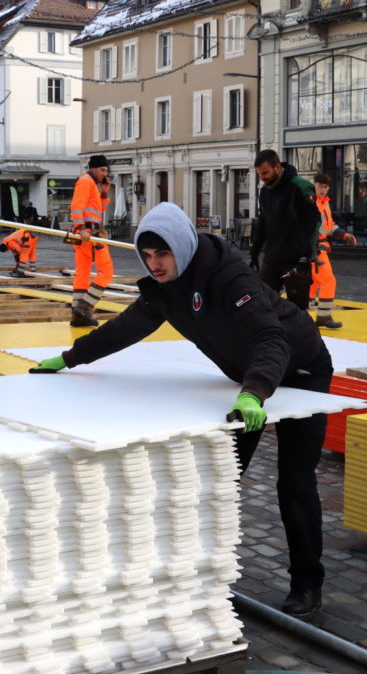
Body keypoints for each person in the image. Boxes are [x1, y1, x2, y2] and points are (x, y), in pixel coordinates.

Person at [30, 202, 334, 617]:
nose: (155, 265)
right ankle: (206, 577)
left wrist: (254, 393)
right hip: (249, 379)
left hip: (299, 372)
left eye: (163, 254)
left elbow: (272, 339)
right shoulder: (164, 290)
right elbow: (125, 328)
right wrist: (70, 358)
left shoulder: (229, 277)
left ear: (182, 247)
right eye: (148, 256)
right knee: (223, 478)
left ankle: (307, 584)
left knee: (294, 482)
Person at [249, 150, 320, 311]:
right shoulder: (265, 192)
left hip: (295, 259)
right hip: (272, 258)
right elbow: (263, 222)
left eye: (265, 173)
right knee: (263, 306)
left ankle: (304, 336)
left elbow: (313, 220)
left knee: (297, 312)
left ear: (277, 167)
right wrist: (254, 252)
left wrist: (306, 255)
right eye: (260, 174)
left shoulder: (299, 186)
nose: (263, 178)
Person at [68, 154, 115, 327]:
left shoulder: (91, 184)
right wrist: (81, 228)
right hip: (90, 233)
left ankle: (77, 314)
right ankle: (84, 307)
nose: (105, 173)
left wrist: (104, 192)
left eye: (106, 170)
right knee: (106, 270)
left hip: (87, 233)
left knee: (83, 271)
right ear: (93, 168)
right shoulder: (86, 181)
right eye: (102, 169)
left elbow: (99, 209)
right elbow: (76, 206)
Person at [309, 173, 357, 329]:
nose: (322, 189)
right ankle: (322, 316)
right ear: (314, 185)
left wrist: (344, 235)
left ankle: (301, 314)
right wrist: (314, 246)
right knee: (328, 280)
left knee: (313, 282)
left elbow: (329, 226)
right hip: (315, 249)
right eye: (319, 186)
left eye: (325, 187)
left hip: (317, 248)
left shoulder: (324, 204)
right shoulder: (312, 203)